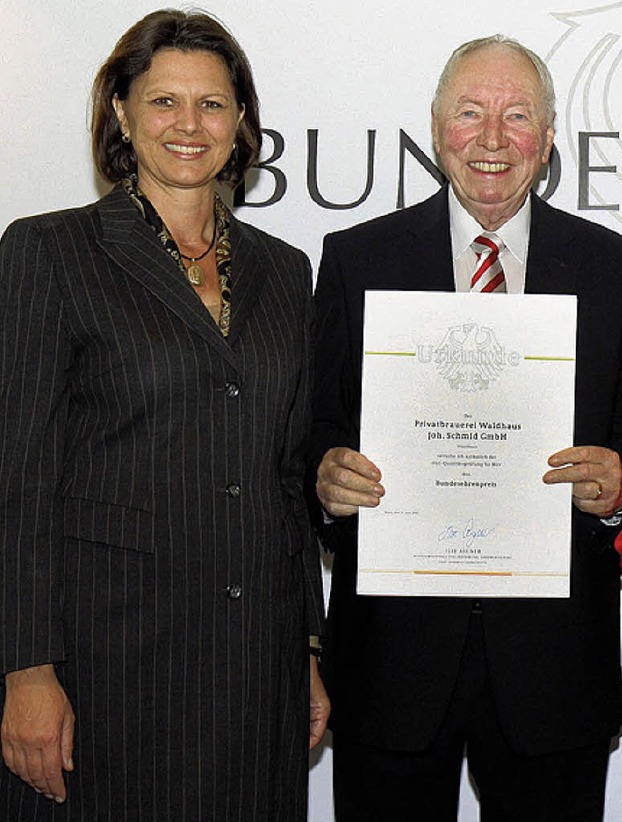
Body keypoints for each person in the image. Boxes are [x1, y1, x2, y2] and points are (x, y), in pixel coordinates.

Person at [0, 9, 329, 820]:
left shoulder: (286, 271)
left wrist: (309, 649)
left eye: (213, 105)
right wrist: (25, 669)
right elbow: (19, 479)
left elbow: (287, 480)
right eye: (163, 102)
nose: (190, 125)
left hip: (256, 672)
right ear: (120, 112)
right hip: (104, 669)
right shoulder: (48, 252)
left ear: (242, 122)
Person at [309, 35, 622, 820]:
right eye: (470, 113)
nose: (493, 139)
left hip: (554, 672)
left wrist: (621, 488)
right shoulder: (357, 259)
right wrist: (326, 480)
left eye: (518, 116)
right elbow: (314, 432)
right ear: (435, 130)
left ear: (550, 139)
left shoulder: (618, 269)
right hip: (392, 664)